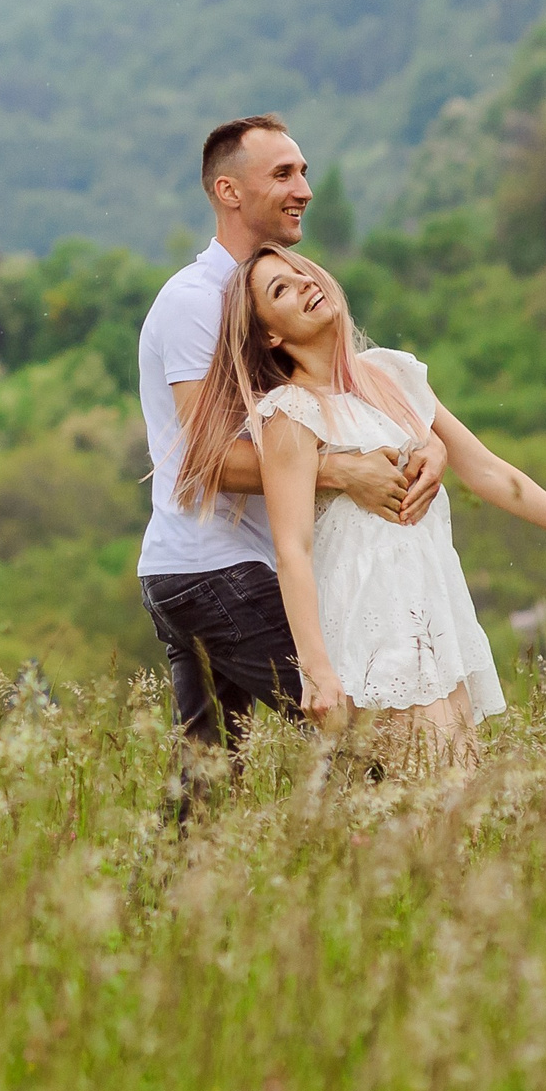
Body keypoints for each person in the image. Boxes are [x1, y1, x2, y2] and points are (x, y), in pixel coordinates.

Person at [180, 243, 546, 766]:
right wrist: (316, 669)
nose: (304, 284)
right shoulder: (292, 412)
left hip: (432, 622)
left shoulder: (392, 376)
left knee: (441, 819)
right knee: (439, 807)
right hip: (371, 635)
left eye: (302, 273)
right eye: (280, 289)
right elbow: (293, 549)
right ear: (269, 334)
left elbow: (488, 471)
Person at [137, 115, 445, 796]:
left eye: (303, 171)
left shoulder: (266, 292)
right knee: (367, 750)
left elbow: (341, 393)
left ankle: (164, 902)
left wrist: (433, 445)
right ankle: (381, 879)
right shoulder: (197, 301)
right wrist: (340, 473)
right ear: (229, 191)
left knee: (206, 787)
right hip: (216, 569)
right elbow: (204, 461)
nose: (303, 188)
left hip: (207, 569)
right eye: (282, 174)